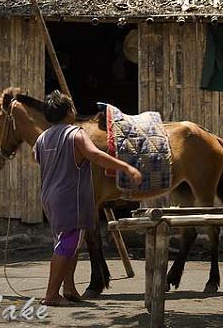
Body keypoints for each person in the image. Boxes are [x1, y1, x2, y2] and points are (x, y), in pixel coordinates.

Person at [34, 91, 143, 307]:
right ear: (68, 112)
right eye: (72, 107)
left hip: (49, 196)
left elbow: (35, 157)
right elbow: (94, 155)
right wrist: (125, 166)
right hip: (69, 197)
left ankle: (69, 288)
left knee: (67, 242)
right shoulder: (76, 134)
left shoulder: (41, 138)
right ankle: (51, 295)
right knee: (67, 244)